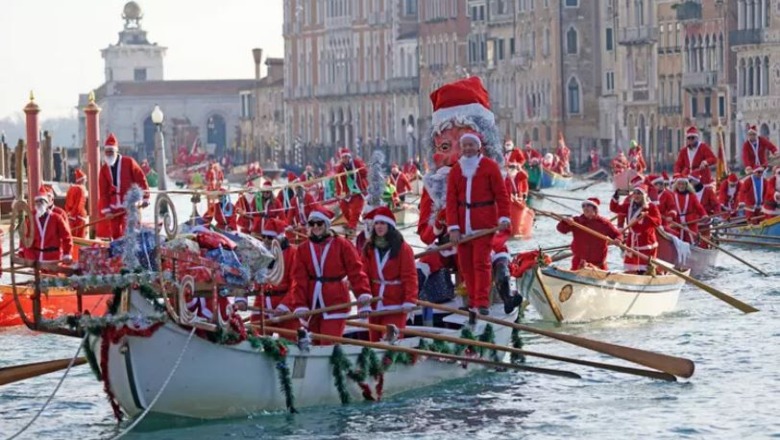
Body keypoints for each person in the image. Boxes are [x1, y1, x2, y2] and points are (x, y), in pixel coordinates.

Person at [276, 206, 372, 343]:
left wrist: (363, 298)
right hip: (313, 305)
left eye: (319, 223)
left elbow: (356, 273)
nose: (315, 227)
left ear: (326, 224)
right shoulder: (303, 248)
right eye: (311, 224)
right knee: (312, 343)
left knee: (328, 343)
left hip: (335, 302)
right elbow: (299, 279)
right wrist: (300, 305)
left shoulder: (343, 245)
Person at [446, 132, 511, 315]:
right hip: (462, 225)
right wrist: (453, 227)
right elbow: (451, 200)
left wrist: (504, 217)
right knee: (465, 265)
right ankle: (472, 301)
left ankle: (482, 303)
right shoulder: (456, 170)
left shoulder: (489, 167)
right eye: (464, 145)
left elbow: (501, 194)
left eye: (470, 145)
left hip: (484, 224)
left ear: (478, 147)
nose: (467, 148)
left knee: (481, 263)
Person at [361, 207, 418, 342]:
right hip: (374, 302)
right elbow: (363, 276)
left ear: (390, 226)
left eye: (383, 223)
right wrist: (363, 303)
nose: (379, 227)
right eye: (376, 223)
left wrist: (410, 300)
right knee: (374, 342)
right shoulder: (369, 248)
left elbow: (410, 276)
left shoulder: (403, 248)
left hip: (395, 304)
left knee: (391, 341)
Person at [248, 218, 299, 335]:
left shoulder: (293, 254)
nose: (266, 240)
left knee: (289, 338)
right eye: (263, 236)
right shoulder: (260, 254)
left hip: (285, 303)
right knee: (255, 334)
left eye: (270, 238)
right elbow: (253, 282)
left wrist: (285, 305)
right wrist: (240, 299)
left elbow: (296, 285)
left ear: (280, 238)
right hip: (263, 302)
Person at [98, 133, 150, 239]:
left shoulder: (129, 162)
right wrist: (107, 210)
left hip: (130, 206)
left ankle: (130, 253)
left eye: (111, 152)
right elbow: (103, 191)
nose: (109, 154)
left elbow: (141, 179)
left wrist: (145, 197)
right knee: (115, 234)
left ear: (116, 151)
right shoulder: (104, 169)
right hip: (113, 208)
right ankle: (117, 253)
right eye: (106, 152)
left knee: (130, 233)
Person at [556, 198, 622, 270]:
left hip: (598, 264)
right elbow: (561, 229)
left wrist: (618, 239)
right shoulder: (576, 221)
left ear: (595, 209)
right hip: (579, 262)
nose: (585, 208)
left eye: (588, 206)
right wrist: (565, 222)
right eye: (583, 206)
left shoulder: (604, 223)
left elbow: (617, 234)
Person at [611, 185, 662, 274]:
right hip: (631, 240)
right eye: (635, 193)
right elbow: (614, 208)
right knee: (631, 267)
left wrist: (646, 217)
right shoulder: (628, 206)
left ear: (644, 195)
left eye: (639, 193)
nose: (636, 195)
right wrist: (616, 197)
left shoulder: (651, 207)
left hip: (646, 241)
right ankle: (631, 279)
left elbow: (658, 222)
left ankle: (648, 275)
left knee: (645, 268)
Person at [21, 188, 73, 264]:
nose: (39, 204)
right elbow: (26, 240)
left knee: (54, 275)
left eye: (41, 201)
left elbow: (67, 237)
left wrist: (67, 254)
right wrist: (30, 258)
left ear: (46, 203)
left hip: (54, 258)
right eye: (37, 202)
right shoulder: (31, 219)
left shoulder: (57, 218)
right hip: (37, 259)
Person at [658, 173, 708, 243]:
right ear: (676, 185)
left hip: (690, 222)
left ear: (686, 185)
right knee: (677, 240)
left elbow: (698, 207)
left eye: (683, 184)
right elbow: (669, 208)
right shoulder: (672, 195)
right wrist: (669, 216)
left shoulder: (692, 196)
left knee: (692, 239)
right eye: (679, 184)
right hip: (677, 223)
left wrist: (704, 214)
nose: (681, 186)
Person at [335, 148, 368, 233]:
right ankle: (351, 222)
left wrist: (361, 169)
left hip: (359, 190)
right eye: (343, 158)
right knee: (343, 207)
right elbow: (338, 181)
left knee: (356, 209)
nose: (345, 159)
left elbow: (365, 174)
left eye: (346, 157)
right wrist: (339, 194)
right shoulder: (340, 168)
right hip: (348, 192)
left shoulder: (356, 162)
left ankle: (352, 225)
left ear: (349, 157)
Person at [506, 161, 529, 236]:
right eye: (510, 167)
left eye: (514, 167)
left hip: (518, 199)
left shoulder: (518, 176)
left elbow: (525, 176)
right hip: (508, 199)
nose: (512, 169)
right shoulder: (505, 177)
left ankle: (517, 227)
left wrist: (520, 169)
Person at [64, 168, 88, 239]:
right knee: (80, 238)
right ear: (82, 180)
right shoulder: (81, 190)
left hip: (71, 217)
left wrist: (69, 214)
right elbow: (79, 205)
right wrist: (74, 215)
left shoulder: (70, 189)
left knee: (72, 237)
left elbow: (67, 203)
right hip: (79, 218)